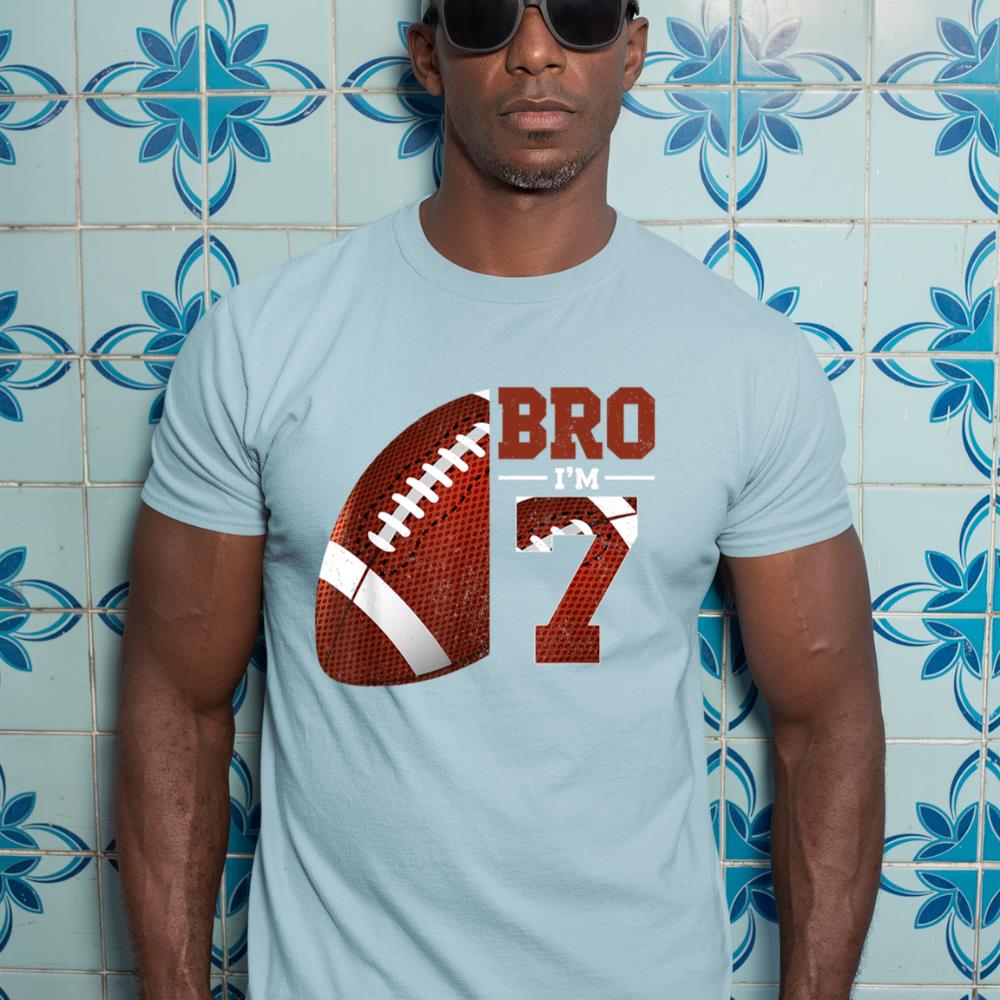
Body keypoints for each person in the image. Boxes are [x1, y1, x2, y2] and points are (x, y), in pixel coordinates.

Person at [117, 1, 886, 997]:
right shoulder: (263, 342)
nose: (533, 50)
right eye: (485, 15)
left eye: (579, 15)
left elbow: (826, 719)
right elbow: (176, 700)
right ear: (428, 56)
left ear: (632, 51)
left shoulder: (744, 361)